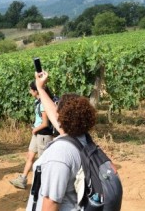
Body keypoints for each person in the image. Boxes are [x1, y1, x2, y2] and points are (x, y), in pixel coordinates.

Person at [26, 70, 96, 211]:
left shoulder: (60, 153)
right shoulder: (82, 138)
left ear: (62, 117)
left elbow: (51, 202)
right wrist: (40, 87)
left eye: (58, 107)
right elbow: (53, 114)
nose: (55, 109)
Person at [10, 81, 55, 189]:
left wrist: (35, 130)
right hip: (37, 134)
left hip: (43, 135)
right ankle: (22, 179)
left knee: (42, 161)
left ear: (36, 91)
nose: (30, 91)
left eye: (30, 89)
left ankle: (42, 185)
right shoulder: (38, 101)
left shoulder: (43, 103)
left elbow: (45, 123)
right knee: (30, 156)